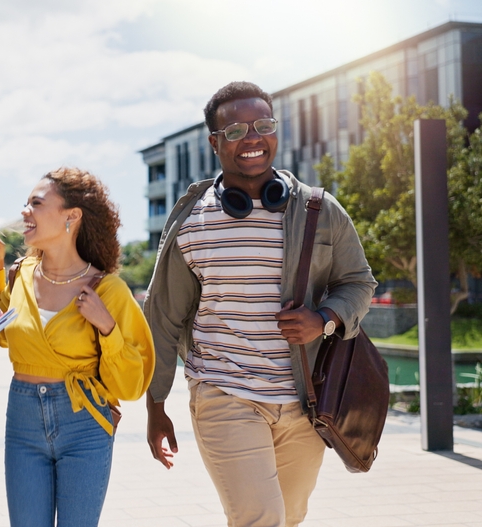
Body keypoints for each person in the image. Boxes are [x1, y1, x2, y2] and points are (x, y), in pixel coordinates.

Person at [143, 81, 377, 527]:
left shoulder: (319, 210)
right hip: (223, 392)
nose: (252, 138)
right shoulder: (192, 220)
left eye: (263, 125)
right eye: (234, 131)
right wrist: (156, 406)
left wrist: (324, 319)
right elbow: (163, 318)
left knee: (289, 517)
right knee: (260, 518)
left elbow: (359, 283)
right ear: (215, 142)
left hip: (306, 402)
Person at [0, 168, 155, 526]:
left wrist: (107, 327)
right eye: (26, 203)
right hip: (22, 419)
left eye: (36, 203)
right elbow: (2, 335)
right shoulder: (20, 274)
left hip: (84, 420)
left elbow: (132, 384)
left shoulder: (107, 290)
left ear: (72, 216)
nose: (25, 211)